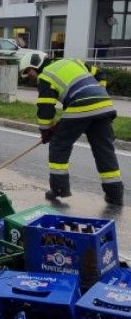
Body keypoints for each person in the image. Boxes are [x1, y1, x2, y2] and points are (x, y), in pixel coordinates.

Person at [19, 52, 123, 206]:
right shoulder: (73, 60)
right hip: (104, 106)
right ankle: (115, 194)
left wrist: (46, 131)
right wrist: (100, 93)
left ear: (34, 64)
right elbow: (100, 74)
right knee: (104, 150)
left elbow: (45, 108)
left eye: (28, 72)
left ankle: (59, 189)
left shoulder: (45, 76)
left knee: (59, 145)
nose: (29, 76)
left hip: (81, 105)